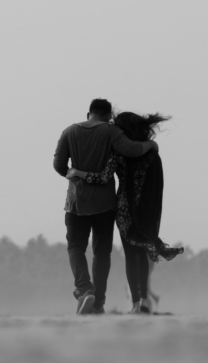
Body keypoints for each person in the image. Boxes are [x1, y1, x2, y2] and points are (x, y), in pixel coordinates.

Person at [66, 111, 184, 313]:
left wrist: (78, 173)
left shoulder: (118, 154)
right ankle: (145, 301)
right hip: (145, 210)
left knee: (131, 255)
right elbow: (158, 185)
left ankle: (136, 304)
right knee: (142, 252)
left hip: (124, 210)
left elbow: (102, 178)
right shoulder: (152, 154)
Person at [53, 99, 159, 315]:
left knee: (76, 247)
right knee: (102, 253)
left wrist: (73, 175)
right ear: (108, 116)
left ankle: (84, 291)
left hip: (76, 202)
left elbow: (58, 165)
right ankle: (99, 302)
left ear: (88, 113)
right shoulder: (111, 132)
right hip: (105, 204)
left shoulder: (69, 131)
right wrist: (150, 144)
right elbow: (130, 149)